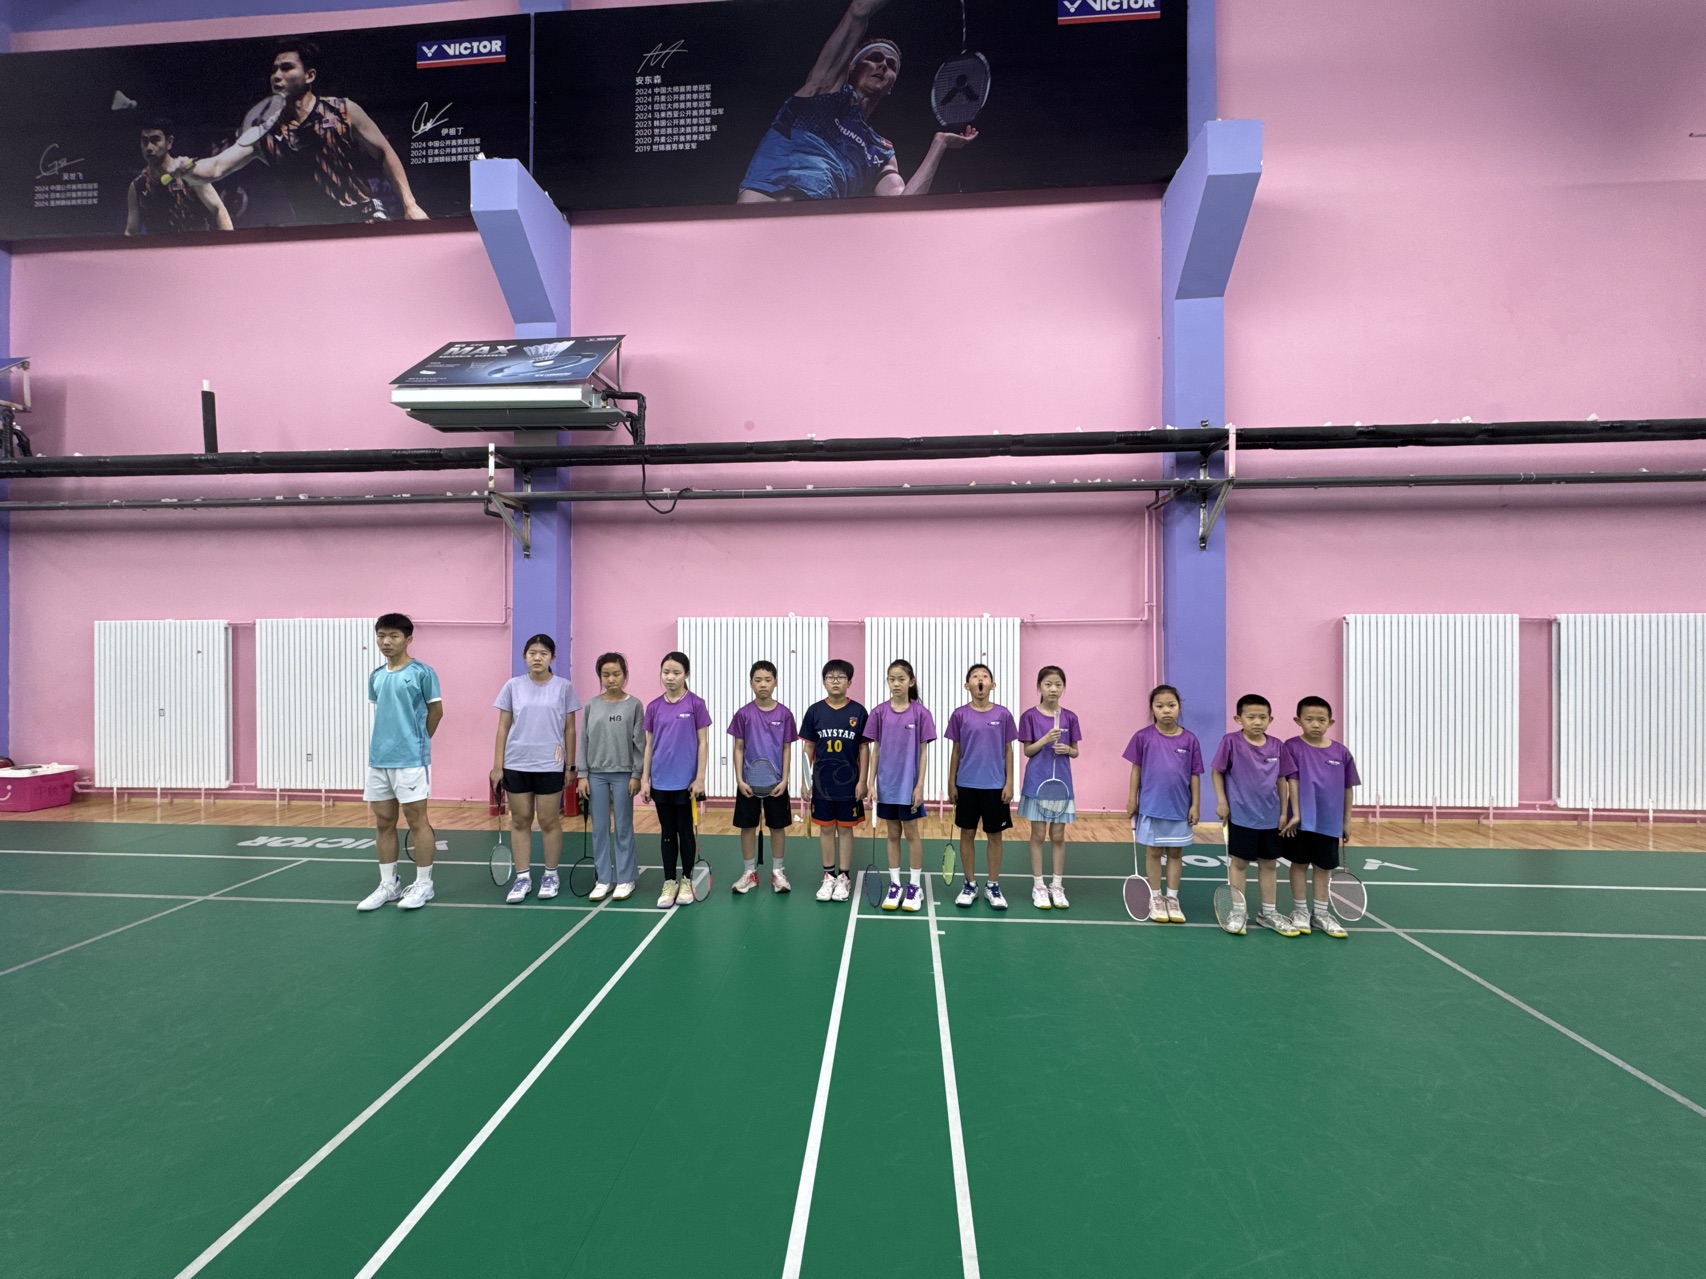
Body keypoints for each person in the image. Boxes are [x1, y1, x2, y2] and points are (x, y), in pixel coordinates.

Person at [736, 0, 976, 202]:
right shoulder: (821, 94)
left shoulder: (880, 150)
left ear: (891, 86)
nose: (882, 65)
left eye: (891, 65)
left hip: (814, 229)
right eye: (874, 58)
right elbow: (858, 10)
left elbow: (903, 206)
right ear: (851, 66)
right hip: (760, 215)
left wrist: (939, 144)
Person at [170, 38, 427, 224]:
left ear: (309, 75)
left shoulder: (343, 110)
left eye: (287, 68)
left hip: (365, 219)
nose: (276, 76)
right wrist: (186, 168)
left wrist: (410, 205)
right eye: (274, 70)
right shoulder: (263, 134)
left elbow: (384, 153)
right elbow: (216, 167)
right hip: (313, 230)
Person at [357, 613, 442, 911]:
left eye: (393, 636)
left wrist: (419, 742)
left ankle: (424, 884)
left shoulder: (422, 673)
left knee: (418, 821)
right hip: (379, 759)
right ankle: (389, 884)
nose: (386, 641)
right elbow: (384, 713)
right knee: (383, 822)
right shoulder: (376, 676)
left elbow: (436, 712)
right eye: (381, 635)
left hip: (411, 759)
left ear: (408, 639)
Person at [490, 633, 579, 904]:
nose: (537, 658)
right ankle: (522, 877)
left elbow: (570, 728)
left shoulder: (564, 687)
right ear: (524, 656)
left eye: (543, 653)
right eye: (532, 653)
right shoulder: (512, 686)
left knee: (549, 821)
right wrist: (497, 766)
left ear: (552, 657)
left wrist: (571, 765)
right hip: (516, 763)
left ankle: (551, 875)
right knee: (520, 820)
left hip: (550, 764)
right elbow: (503, 727)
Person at [1210, 694, 1298, 935]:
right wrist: (1222, 802)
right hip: (1241, 815)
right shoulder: (1230, 742)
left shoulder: (1277, 746)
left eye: (1262, 717)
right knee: (1239, 863)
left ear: (1270, 719)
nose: (1257, 722)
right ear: (1239, 719)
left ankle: (1268, 913)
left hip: (1270, 817)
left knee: (1269, 864)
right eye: (1251, 717)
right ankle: (1238, 911)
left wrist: (1284, 812)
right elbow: (1217, 772)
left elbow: (1282, 779)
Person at [1280, 696, 1361, 938]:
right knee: (1299, 864)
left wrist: (1346, 821)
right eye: (1309, 719)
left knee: (1324, 867)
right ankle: (1300, 910)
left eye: (1321, 720)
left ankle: (1322, 913)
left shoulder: (1341, 752)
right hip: (1300, 821)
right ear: (1298, 720)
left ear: (1330, 722)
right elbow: (1290, 781)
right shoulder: (1291, 747)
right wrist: (1294, 814)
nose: (1315, 724)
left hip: (1329, 822)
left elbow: (1348, 788)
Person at [1123, 684, 1203, 923]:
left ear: (1179, 707)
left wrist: (1195, 805)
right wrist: (1132, 798)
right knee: (1154, 851)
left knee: (1176, 852)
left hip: (1179, 807)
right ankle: (1156, 897)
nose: (1166, 710)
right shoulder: (1143, 737)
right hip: (1151, 805)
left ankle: (1172, 899)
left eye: (1171, 705)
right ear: (1152, 709)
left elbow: (1195, 775)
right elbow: (1136, 769)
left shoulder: (1190, 739)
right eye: (1160, 706)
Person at [862, 659, 936, 912]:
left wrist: (920, 786)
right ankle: (895, 885)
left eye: (901, 679)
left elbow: (923, 752)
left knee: (912, 834)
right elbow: (876, 750)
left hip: (908, 786)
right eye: (891, 679)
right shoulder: (879, 712)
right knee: (892, 834)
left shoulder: (920, 713)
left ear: (911, 682)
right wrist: (871, 783)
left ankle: (914, 886)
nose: (896, 684)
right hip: (887, 785)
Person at [640, 651, 711, 909]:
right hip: (660, 781)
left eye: (676, 673)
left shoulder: (696, 704)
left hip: (686, 783)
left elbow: (703, 743)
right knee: (667, 833)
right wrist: (645, 779)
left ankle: (687, 880)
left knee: (685, 832)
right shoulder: (653, 707)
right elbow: (649, 746)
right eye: (666, 672)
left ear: (686, 675)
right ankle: (669, 881)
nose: (670, 677)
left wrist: (700, 777)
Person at [946, 664, 1019, 910]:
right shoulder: (959, 715)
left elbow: (1008, 750)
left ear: (992, 685)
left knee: (995, 836)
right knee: (966, 834)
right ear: (967, 685)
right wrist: (951, 782)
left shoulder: (1003, 714)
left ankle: (993, 886)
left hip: (995, 786)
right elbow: (956, 751)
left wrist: (1009, 782)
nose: (980, 680)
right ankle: (969, 884)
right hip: (966, 784)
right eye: (975, 677)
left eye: (985, 676)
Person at [576, 652, 646, 901]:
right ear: (600, 677)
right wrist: (582, 774)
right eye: (605, 675)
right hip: (595, 774)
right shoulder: (591, 705)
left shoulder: (634, 705)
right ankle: (603, 878)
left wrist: (637, 774)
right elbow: (583, 741)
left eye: (616, 674)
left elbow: (640, 743)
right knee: (600, 828)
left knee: (624, 827)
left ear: (624, 675)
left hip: (624, 774)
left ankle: (626, 878)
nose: (611, 679)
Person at [799, 659, 870, 903]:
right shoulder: (815, 711)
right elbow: (808, 748)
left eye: (841, 677)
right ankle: (829, 876)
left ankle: (844, 877)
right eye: (830, 677)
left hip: (849, 784)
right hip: (822, 784)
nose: (835, 681)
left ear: (849, 682)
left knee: (846, 829)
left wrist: (863, 781)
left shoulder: (858, 712)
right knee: (827, 828)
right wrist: (805, 781)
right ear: (824, 682)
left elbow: (864, 749)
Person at [729, 660, 799, 894]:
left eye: (767, 680)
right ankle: (749, 872)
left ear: (775, 682)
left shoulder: (785, 714)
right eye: (758, 680)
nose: (763, 684)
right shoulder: (743, 714)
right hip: (748, 783)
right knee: (747, 827)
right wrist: (739, 780)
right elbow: (738, 747)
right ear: (751, 683)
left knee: (777, 827)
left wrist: (785, 780)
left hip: (776, 782)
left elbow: (787, 748)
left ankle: (778, 872)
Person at [1018, 665, 1081, 910]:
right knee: (1037, 835)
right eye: (1048, 684)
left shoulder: (1070, 717)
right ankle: (1038, 886)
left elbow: (1076, 752)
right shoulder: (1029, 716)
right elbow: (1028, 751)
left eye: (1058, 684)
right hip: (1037, 782)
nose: (1053, 689)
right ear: (1039, 687)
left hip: (1061, 785)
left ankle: (1057, 885)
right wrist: (1045, 739)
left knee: (1057, 835)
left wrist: (1068, 749)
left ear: (1063, 687)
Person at [125, 118, 232, 235]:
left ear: (169, 142)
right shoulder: (138, 186)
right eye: (144, 141)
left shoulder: (189, 174)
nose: (149, 147)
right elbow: (131, 231)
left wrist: (228, 242)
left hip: (195, 245)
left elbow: (218, 209)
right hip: (160, 246)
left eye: (155, 140)